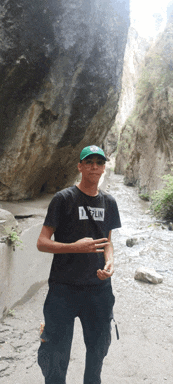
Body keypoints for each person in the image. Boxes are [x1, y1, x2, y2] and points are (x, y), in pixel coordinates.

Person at [37, 145, 121, 384]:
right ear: (80, 166)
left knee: (97, 356)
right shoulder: (63, 199)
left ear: (104, 167)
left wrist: (110, 263)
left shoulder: (109, 202)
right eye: (89, 162)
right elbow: (42, 242)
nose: (95, 166)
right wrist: (74, 246)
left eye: (99, 162)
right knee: (55, 357)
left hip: (99, 291)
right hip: (63, 290)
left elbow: (108, 243)